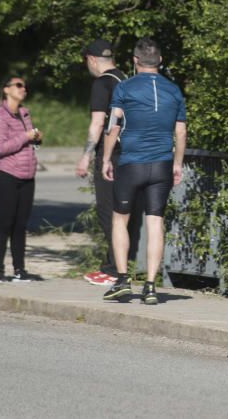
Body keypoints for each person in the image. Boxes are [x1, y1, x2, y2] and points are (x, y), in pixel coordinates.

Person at [100, 38, 186, 305]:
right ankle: (150, 286)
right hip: (161, 163)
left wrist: (105, 158)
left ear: (135, 61)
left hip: (131, 163)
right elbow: (180, 131)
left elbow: (113, 126)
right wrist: (177, 163)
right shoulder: (174, 90)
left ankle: (123, 280)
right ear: (159, 61)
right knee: (155, 222)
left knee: (119, 220)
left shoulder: (124, 88)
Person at [75, 39, 141, 287]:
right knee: (125, 212)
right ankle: (115, 264)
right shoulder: (125, 79)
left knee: (109, 212)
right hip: (133, 152)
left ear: (91, 59)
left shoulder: (102, 83)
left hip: (111, 154)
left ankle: (114, 269)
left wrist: (86, 156)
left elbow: (98, 124)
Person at [0, 76, 43, 282]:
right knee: (5, 223)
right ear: (6, 90)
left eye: (24, 86)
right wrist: (26, 137)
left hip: (27, 176)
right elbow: (0, 148)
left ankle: (19, 269)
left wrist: (37, 139)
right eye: (18, 86)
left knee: (21, 225)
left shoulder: (24, 114)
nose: (23, 89)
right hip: (5, 175)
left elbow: (27, 144)